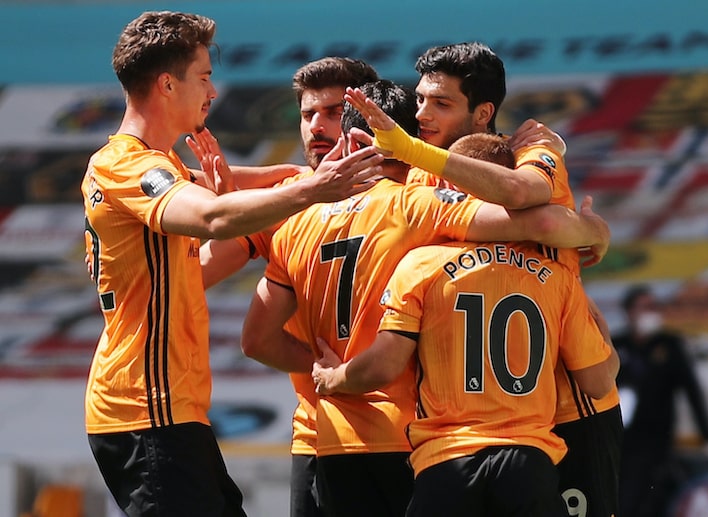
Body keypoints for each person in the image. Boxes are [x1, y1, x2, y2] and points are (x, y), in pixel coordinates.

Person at [241, 78, 610, 517]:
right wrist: (593, 230)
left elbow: (257, 341)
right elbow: (535, 223)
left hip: (332, 438)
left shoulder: (296, 223)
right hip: (414, 439)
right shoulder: (419, 206)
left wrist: (328, 370)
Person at [80, 12, 383, 516]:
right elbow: (214, 216)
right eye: (203, 76)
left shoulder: (160, 165)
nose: (213, 91)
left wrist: (303, 177)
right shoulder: (130, 166)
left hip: (166, 410)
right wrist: (315, 188)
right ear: (167, 83)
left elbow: (244, 188)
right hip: (145, 407)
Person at [346, 42, 624, 515]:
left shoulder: (529, 151)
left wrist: (592, 227)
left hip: (569, 408)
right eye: (420, 100)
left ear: (483, 113)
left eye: (441, 103)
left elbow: (528, 197)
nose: (423, 114)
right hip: (474, 427)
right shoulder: (418, 176)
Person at [310, 237, 619, 517]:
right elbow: (598, 383)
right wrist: (607, 343)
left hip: (447, 463)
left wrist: (333, 378)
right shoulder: (557, 276)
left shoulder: (421, 263)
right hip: (527, 463)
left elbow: (383, 366)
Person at [197, 56, 379, 517]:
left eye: (334, 112)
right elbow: (196, 275)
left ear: (366, 114)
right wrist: (324, 370)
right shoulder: (290, 199)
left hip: (403, 434)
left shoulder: (415, 194)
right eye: (307, 114)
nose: (317, 126)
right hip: (319, 434)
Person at [613, 284, 708, 517]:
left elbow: (692, 392)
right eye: (645, 307)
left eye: (654, 307)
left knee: (648, 499)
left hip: (656, 441)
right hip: (619, 441)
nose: (651, 312)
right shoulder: (617, 345)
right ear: (629, 311)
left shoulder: (670, 346)